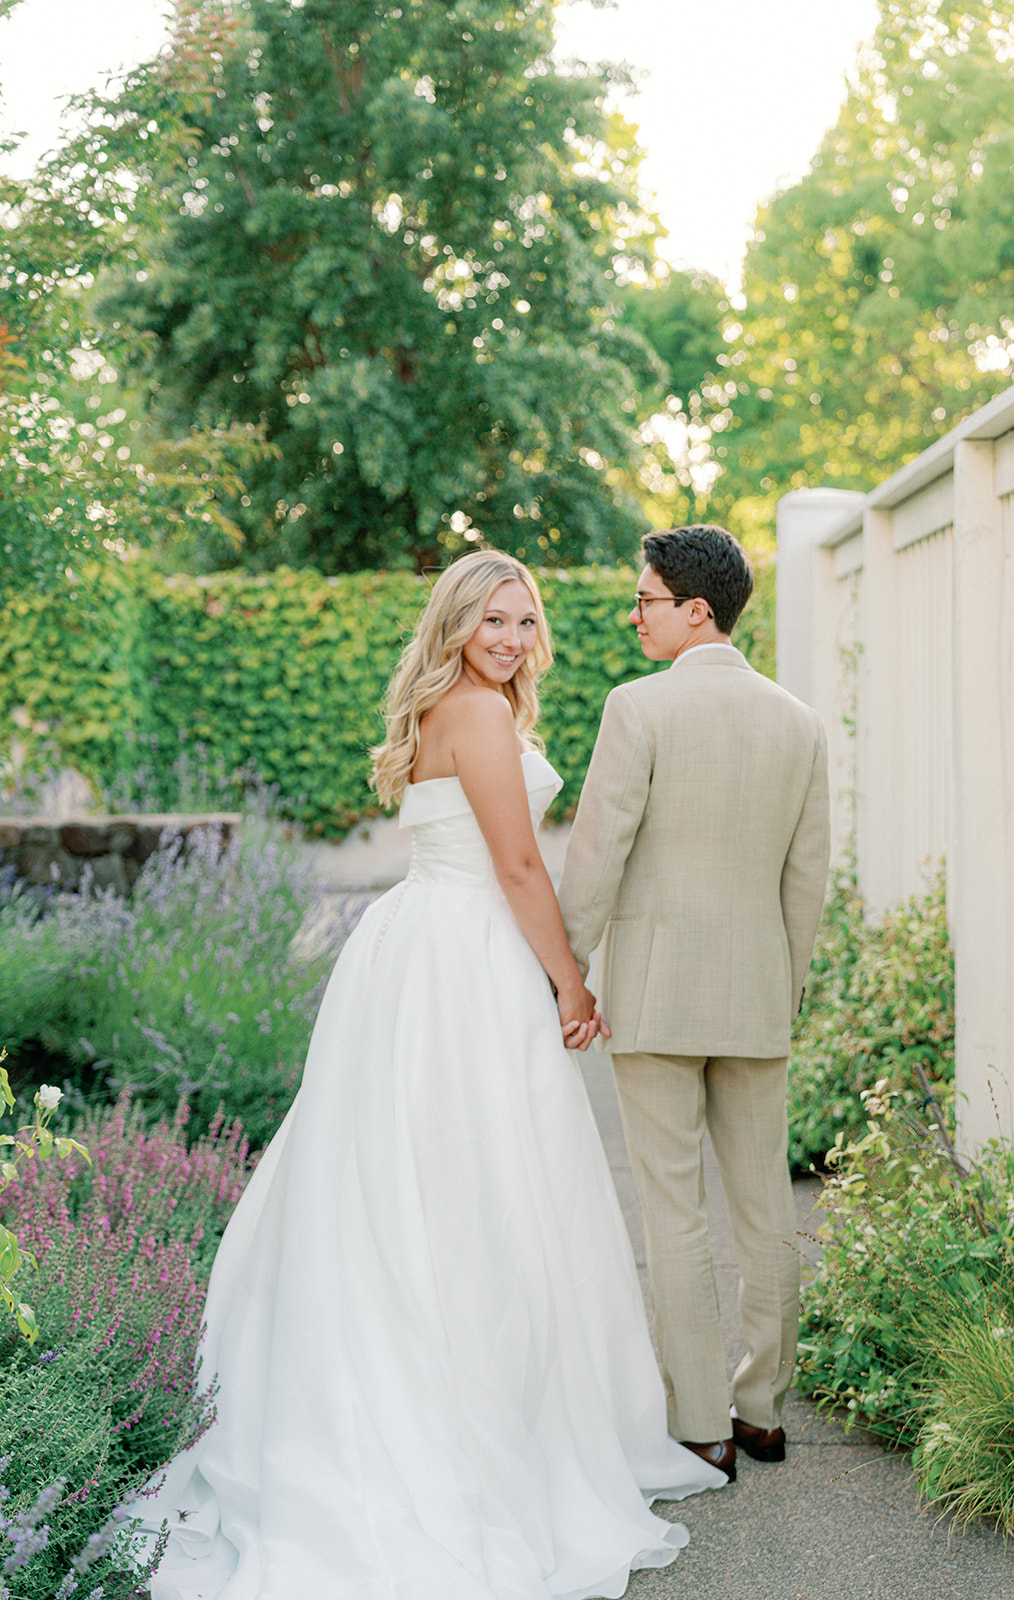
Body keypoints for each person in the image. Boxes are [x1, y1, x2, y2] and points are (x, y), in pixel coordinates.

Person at [130, 548, 726, 1600]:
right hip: (463, 958)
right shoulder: (481, 714)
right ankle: (460, 1420)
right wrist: (571, 985)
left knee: (416, 1180)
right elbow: (513, 864)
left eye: (522, 621)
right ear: (453, 625)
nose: (509, 637)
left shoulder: (451, 706)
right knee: (477, 1185)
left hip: (413, 950)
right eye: (491, 620)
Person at [558, 524, 830, 1483]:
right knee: (764, 1211)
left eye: (644, 600)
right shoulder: (797, 721)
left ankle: (698, 1420)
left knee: (672, 1212)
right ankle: (761, 1410)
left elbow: (596, 857)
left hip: (657, 999)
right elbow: (809, 881)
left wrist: (568, 971)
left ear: (695, 609)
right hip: (755, 995)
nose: (633, 615)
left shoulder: (636, 710)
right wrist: (779, 987)